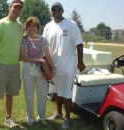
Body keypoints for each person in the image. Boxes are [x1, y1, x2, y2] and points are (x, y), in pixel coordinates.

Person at [42, 2, 85, 130]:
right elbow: (44, 44)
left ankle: (67, 118)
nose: (56, 11)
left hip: (67, 66)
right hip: (53, 66)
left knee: (66, 93)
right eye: (53, 9)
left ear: (62, 11)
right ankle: (59, 113)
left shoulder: (71, 24)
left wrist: (80, 62)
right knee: (56, 91)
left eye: (58, 9)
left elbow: (79, 43)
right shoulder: (48, 26)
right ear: (51, 12)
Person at [0, 0, 24, 129]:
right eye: (15, 7)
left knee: (10, 93)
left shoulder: (20, 26)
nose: (17, 10)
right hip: (0, 65)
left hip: (15, 65)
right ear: (10, 7)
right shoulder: (0, 24)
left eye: (20, 8)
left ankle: (8, 118)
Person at [20, 17, 55, 126]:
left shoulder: (43, 40)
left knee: (42, 95)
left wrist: (53, 68)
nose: (32, 28)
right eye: (29, 26)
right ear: (26, 27)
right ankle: (30, 118)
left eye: (34, 26)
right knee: (29, 96)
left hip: (42, 72)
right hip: (28, 72)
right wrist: (34, 59)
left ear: (37, 28)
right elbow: (21, 57)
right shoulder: (24, 40)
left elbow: (48, 56)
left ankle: (42, 117)